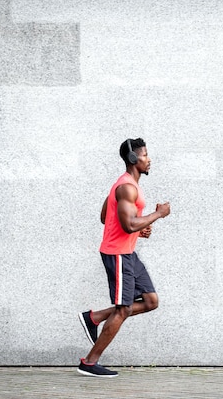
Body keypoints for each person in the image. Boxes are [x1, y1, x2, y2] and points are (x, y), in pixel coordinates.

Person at [77, 138, 170, 377]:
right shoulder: (126, 187)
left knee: (151, 301)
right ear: (132, 159)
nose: (149, 159)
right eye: (144, 155)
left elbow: (105, 216)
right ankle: (89, 362)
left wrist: (140, 227)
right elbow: (128, 225)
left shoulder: (128, 186)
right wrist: (157, 214)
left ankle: (94, 317)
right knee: (123, 309)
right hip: (117, 254)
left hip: (128, 253)